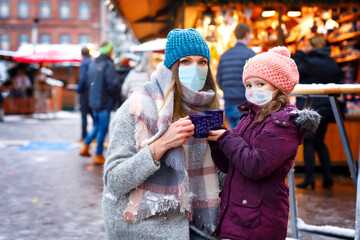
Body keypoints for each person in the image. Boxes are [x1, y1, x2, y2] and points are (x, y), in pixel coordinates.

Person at [102, 28, 220, 240]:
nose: (196, 68)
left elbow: (218, 179)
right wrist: (161, 145)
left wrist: (229, 148)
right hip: (144, 226)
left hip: (195, 224)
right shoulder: (137, 108)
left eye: (202, 62)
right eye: (186, 61)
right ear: (172, 67)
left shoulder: (208, 110)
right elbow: (114, 180)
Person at [206, 47, 320, 240]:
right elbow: (229, 165)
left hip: (259, 221)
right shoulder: (249, 117)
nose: (252, 91)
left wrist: (226, 138)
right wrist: (216, 141)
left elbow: (255, 165)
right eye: (248, 85)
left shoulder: (284, 124)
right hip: (240, 216)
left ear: (278, 88)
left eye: (260, 84)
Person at [293, 34, 342, 189]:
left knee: (308, 141)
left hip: (311, 106)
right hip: (329, 107)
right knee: (320, 141)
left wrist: (299, 52)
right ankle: (328, 177)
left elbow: (295, 70)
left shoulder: (308, 62)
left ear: (312, 47)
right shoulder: (332, 63)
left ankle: (309, 179)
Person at [79, 42, 119, 165]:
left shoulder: (93, 64)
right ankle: (98, 154)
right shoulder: (108, 64)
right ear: (109, 51)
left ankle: (86, 146)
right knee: (102, 128)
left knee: (97, 126)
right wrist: (115, 99)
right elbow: (113, 84)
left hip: (93, 101)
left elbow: (88, 82)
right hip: (104, 101)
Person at [216, 22, 255, 130]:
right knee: (242, 139)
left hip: (228, 102)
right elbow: (256, 80)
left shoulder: (224, 55)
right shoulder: (250, 54)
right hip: (244, 103)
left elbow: (218, 80)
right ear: (247, 34)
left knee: (234, 136)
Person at [76, 47, 93, 141]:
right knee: (93, 114)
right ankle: (95, 134)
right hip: (93, 92)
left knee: (84, 115)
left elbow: (82, 78)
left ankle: (84, 135)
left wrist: (79, 90)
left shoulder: (84, 63)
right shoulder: (93, 62)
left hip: (85, 92)